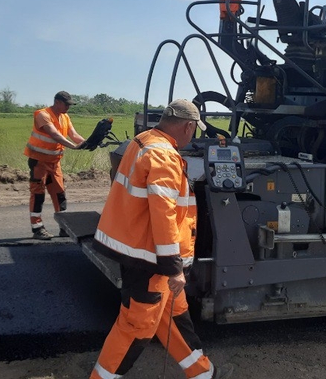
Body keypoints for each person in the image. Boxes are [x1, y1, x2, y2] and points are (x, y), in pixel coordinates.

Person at [89, 99, 234, 379]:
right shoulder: (164, 156)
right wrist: (173, 267)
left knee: (175, 318)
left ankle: (203, 373)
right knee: (137, 326)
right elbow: (163, 215)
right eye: (194, 130)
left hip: (142, 252)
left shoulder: (143, 142)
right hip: (151, 262)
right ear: (188, 126)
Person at [23, 90, 85, 240]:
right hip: (39, 162)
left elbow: (74, 135)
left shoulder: (65, 117)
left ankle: (64, 227)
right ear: (57, 102)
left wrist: (86, 143)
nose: (68, 107)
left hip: (54, 163)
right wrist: (73, 147)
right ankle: (37, 228)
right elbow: (54, 134)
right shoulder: (42, 114)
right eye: (66, 104)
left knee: (59, 194)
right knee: (38, 194)